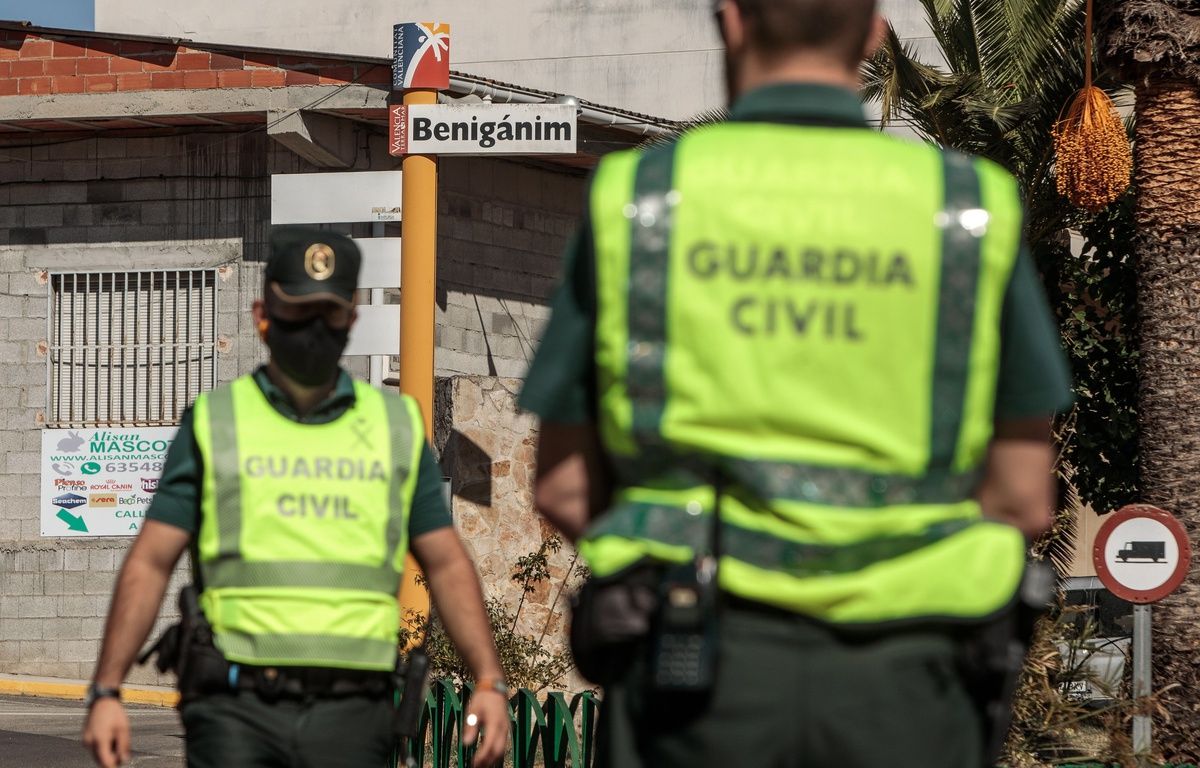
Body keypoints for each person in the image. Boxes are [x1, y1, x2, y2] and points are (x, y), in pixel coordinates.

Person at [519, 1, 1074, 766]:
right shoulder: (966, 208)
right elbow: (1023, 497)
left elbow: (563, 487)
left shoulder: (638, 199)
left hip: (693, 678)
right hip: (911, 687)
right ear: (875, 37)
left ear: (733, 22)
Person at [82, 227, 509, 768]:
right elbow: (150, 561)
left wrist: (489, 681)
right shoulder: (216, 421)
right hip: (236, 710)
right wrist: (106, 690)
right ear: (263, 315)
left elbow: (446, 563)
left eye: (329, 314)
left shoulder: (395, 427)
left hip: (354, 715)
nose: (313, 328)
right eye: (297, 310)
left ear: (352, 319)